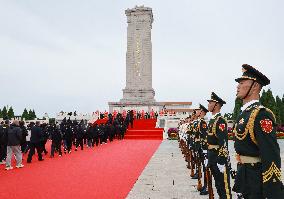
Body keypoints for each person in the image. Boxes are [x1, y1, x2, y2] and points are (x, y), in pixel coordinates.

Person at [233, 64, 284, 199]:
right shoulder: (244, 113)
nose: (238, 86)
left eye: (242, 82)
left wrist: (272, 190)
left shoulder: (261, 114)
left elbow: (271, 154)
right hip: (245, 175)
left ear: (255, 86)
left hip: (256, 180)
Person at [207, 92, 232, 199]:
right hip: (212, 156)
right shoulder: (213, 120)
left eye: (210, 102)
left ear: (216, 105)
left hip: (218, 157)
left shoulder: (220, 120)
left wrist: (222, 160)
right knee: (218, 184)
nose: (208, 105)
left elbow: (223, 142)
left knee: (224, 187)